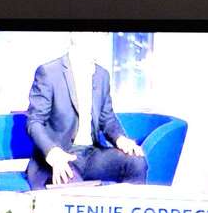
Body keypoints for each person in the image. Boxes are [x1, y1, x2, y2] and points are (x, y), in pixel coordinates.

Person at [26, 32, 148, 190]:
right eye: (94, 33)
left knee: (136, 162)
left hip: (91, 154)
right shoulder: (49, 72)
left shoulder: (102, 75)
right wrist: (53, 152)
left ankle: (128, 206)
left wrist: (120, 139)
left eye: (103, 35)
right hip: (59, 155)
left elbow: (107, 118)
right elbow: (34, 122)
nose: (100, 38)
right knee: (74, 187)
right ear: (75, 36)